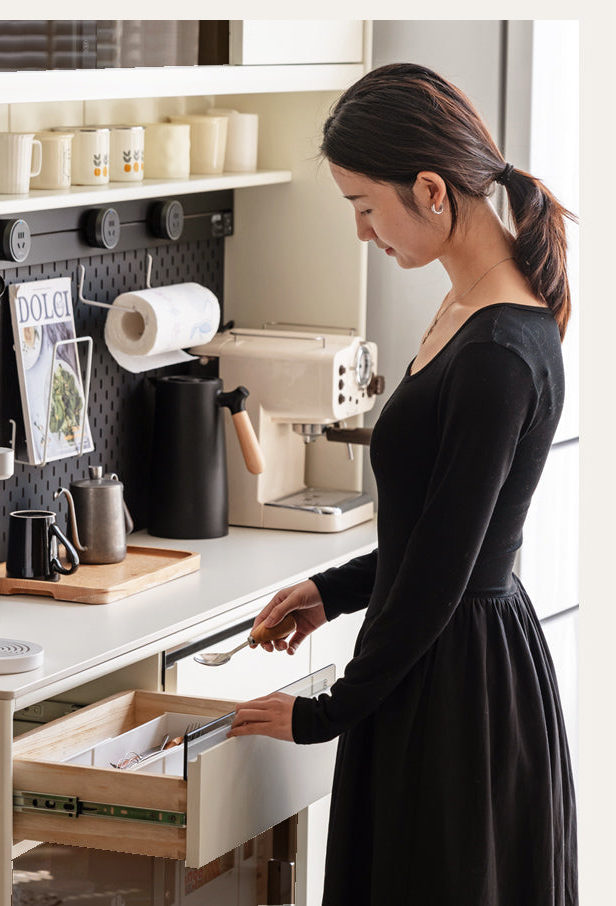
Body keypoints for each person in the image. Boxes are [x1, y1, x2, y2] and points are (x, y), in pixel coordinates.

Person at [228, 63, 577, 905]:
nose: (360, 232)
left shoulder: (498, 351)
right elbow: (434, 538)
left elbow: (440, 574)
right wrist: (329, 589)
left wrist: (324, 713)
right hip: (443, 662)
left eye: (363, 206)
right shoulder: (468, 311)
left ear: (429, 190)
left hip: (456, 689)